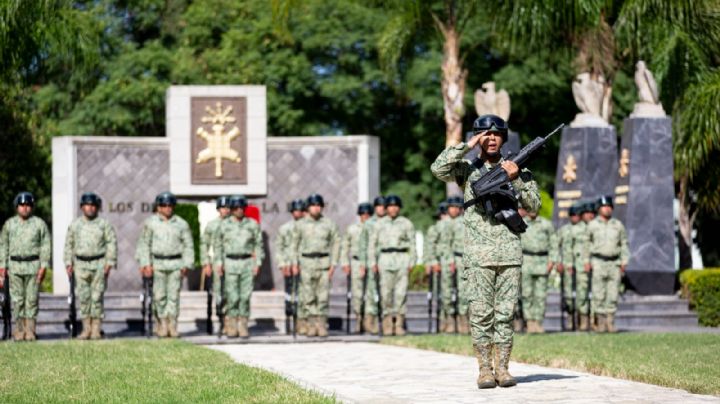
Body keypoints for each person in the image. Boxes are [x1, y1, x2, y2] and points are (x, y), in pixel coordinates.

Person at [431, 114, 540, 388]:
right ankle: (484, 370)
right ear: (478, 137)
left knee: (505, 314)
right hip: (479, 256)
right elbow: (438, 169)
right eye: (485, 134)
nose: (491, 139)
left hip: (509, 255)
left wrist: (515, 179)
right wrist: (467, 146)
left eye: (496, 134)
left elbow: (534, 205)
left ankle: (503, 369)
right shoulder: (467, 170)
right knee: (481, 315)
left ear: (503, 138)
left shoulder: (519, 169)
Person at [135, 192, 194, 338]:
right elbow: (144, 245)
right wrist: (145, 264)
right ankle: (161, 323)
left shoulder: (181, 224)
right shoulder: (150, 223)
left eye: (170, 205)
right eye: (164, 205)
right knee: (159, 296)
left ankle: (172, 325)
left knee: (173, 296)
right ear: (159, 207)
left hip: (175, 264)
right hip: (157, 264)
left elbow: (188, 245)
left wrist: (187, 264)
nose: (167, 208)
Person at [63, 192, 117, 340]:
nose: (90, 208)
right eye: (87, 205)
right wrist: (68, 263)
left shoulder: (103, 224)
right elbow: (68, 244)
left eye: (93, 205)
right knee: (84, 298)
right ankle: (86, 329)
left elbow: (111, 242)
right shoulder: (75, 225)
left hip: (99, 264)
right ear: (82, 207)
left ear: (97, 207)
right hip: (80, 265)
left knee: (97, 297)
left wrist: (109, 263)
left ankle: (96, 330)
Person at [0, 192, 51, 341]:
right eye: (22, 205)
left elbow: (45, 245)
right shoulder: (9, 224)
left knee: (32, 300)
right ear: (17, 207)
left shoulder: (39, 224)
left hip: (33, 266)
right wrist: (2, 266)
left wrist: (44, 266)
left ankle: (30, 331)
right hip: (14, 267)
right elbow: (3, 246)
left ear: (32, 206)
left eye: (28, 205)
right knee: (17, 301)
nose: (25, 208)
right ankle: (19, 331)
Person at [213, 195, 263, 338]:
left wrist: (257, 262)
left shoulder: (252, 224)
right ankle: (232, 325)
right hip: (230, 263)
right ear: (232, 209)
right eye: (236, 208)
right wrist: (219, 263)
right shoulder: (224, 225)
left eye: (242, 207)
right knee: (232, 296)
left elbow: (258, 245)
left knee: (245, 296)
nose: (239, 210)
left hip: (247, 262)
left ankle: (243, 325)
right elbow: (219, 246)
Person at [291, 194, 339, 337]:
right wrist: (294, 263)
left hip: (324, 263)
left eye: (318, 205)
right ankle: (311, 325)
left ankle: (322, 324)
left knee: (323, 296)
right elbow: (294, 245)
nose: (316, 208)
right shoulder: (300, 225)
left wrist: (334, 263)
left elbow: (336, 243)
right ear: (308, 207)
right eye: (313, 205)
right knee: (309, 296)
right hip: (306, 263)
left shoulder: (329, 224)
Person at [368, 195, 416, 336]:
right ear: (386, 208)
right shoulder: (379, 224)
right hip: (385, 259)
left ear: (399, 208)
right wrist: (373, 262)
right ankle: (387, 324)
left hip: (401, 259)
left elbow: (412, 244)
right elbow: (372, 245)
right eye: (390, 206)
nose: (393, 208)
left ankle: (399, 324)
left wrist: (412, 261)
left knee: (401, 294)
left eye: (396, 206)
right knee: (386, 293)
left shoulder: (406, 223)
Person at [583, 196, 629, 333]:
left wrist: (624, 260)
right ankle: (600, 323)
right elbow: (586, 244)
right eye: (604, 206)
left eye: (609, 206)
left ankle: (610, 322)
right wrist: (586, 261)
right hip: (598, 262)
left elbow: (624, 243)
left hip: (614, 262)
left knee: (613, 293)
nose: (607, 209)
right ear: (598, 209)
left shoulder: (618, 225)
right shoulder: (592, 225)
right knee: (598, 294)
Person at [519, 208, 556, 333]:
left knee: (540, 295)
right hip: (527, 261)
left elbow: (553, 244)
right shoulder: (521, 222)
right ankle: (530, 322)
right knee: (527, 294)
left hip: (543, 261)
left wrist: (552, 260)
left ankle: (538, 322)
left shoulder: (546, 224)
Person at [339, 203, 372, 333]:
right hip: (356, 262)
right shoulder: (352, 229)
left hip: (371, 262)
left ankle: (369, 320)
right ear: (359, 215)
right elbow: (345, 246)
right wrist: (345, 262)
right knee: (357, 293)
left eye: (368, 214)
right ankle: (359, 319)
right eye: (363, 214)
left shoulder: (374, 228)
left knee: (370, 293)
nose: (365, 217)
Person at [275, 199, 306, 333]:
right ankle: (290, 320)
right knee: (290, 294)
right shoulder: (285, 228)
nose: (297, 213)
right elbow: (279, 247)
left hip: (305, 265)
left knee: (304, 294)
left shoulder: (307, 227)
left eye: (299, 210)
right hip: (288, 265)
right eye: (295, 210)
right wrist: (283, 264)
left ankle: (302, 322)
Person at [201, 196, 230, 330]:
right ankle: (222, 317)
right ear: (218, 209)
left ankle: (231, 320)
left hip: (234, 261)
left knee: (233, 292)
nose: (226, 210)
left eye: (228, 207)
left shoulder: (234, 224)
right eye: (223, 207)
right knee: (220, 292)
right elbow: (204, 244)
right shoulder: (212, 225)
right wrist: (206, 263)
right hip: (217, 262)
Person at [445, 196, 469, 334]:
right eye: (452, 206)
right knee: (453, 291)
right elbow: (447, 244)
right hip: (456, 259)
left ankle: (464, 321)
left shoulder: (468, 221)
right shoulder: (450, 224)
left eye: (457, 207)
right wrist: (450, 261)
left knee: (466, 292)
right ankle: (452, 321)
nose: (454, 209)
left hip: (469, 260)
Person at [362, 196, 386, 334]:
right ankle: (370, 322)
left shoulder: (388, 223)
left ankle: (385, 321)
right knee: (371, 292)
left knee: (384, 293)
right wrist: (363, 263)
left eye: (383, 206)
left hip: (385, 261)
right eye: (378, 206)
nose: (381, 208)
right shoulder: (369, 223)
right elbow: (363, 244)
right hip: (372, 262)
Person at [423, 201, 448, 332]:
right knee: (440, 294)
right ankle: (442, 321)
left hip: (450, 261)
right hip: (439, 261)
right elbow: (429, 247)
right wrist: (431, 263)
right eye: (443, 214)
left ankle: (449, 320)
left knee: (450, 293)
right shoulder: (435, 228)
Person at [557, 204, 581, 329]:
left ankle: (581, 320)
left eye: (577, 215)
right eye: (572, 215)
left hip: (582, 266)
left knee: (582, 294)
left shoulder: (586, 229)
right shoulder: (563, 230)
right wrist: (558, 262)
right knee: (568, 295)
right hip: (567, 266)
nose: (575, 217)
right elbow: (556, 247)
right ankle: (570, 319)